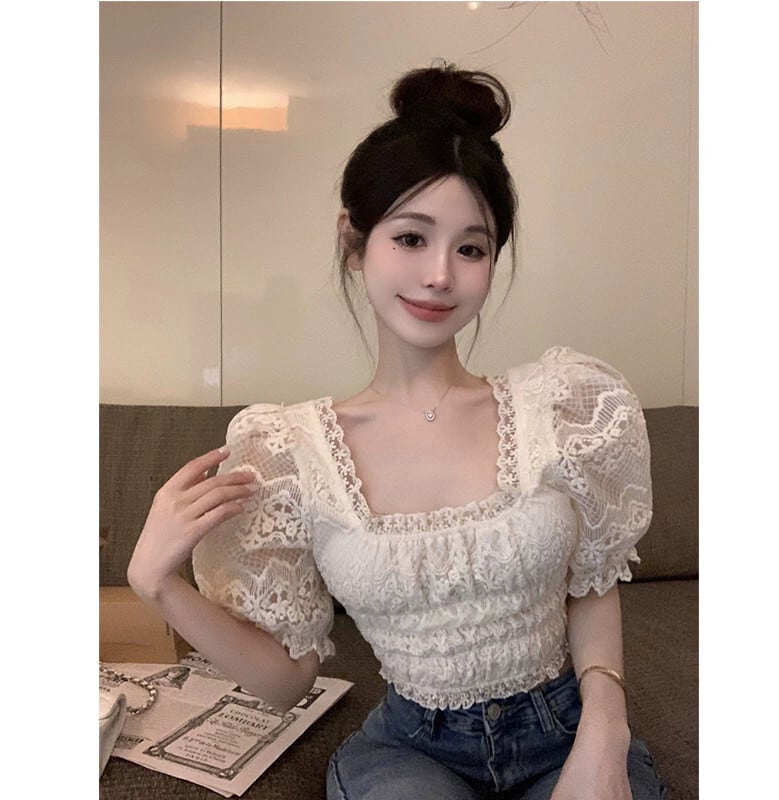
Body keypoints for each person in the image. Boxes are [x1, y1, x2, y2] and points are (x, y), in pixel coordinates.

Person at [127, 63, 667, 800]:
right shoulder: (293, 455)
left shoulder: (561, 410)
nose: (440, 274)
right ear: (355, 240)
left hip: (565, 727)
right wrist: (157, 584)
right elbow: (287, 681)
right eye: (412, 238)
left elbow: (593, 584)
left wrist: (606, 732)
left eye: (470, 248)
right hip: (413, 751)